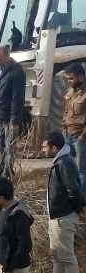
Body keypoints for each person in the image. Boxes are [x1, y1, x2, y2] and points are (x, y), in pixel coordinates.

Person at [37, 132, 83, 273]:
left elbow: (74, 191)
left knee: (67, 256)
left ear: (54, 147)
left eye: (45, 146)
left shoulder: (64, 163)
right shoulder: (61, 160)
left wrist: (74, 210)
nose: (43, 149)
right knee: (57, 255)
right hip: (56, 216)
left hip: (63, 217)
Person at [0, 46, 26, 179]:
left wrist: (14, 121)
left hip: (9, 118)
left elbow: (17, 98)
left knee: (9, 147)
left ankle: (7, 173)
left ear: (7, 56)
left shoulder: (16, 71)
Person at [62, 63, 86, 193]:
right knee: (69, 169)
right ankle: (72, 198)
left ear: (81, 77)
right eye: (68, 79)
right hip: (67, 136)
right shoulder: (71, 92)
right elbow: (66, 112)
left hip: (80, 138)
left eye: (71, 78)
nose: (69, 81)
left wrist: (83, 137)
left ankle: (81, 203)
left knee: (81, 171)